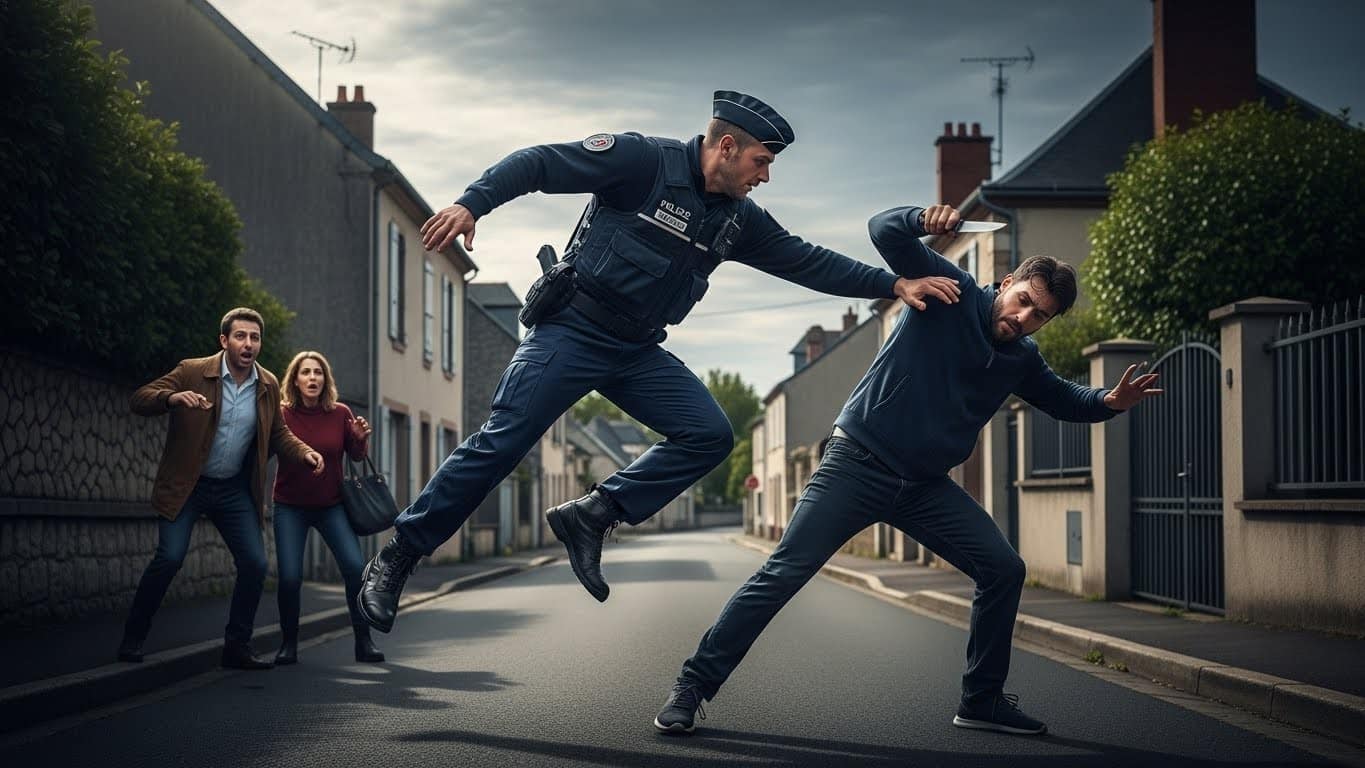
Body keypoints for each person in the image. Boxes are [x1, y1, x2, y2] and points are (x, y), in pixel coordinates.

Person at [356, 90, 926, 632]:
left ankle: (594, 514)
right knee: (501, 442)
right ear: (725, 147)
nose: (765, 176)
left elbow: (806, 260)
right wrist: (471, 203)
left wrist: (893, 282)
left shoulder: (736, 218)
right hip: (572, 330)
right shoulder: (640, 162)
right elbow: (538, 163)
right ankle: (398, 558)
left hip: (636, 350)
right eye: (761, 160)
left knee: (709, 434)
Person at [654, 204, 1163, 736]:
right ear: (1007, 282)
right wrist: (925, 218)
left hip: (923, 487)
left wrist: (1107, 400)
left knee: (1003, 570)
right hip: (856, 464)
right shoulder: (952, 290)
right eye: (1022, 303)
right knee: (782, 574)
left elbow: (1060, 397)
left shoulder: (1021, 358)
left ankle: (981, 700)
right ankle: (692, 686)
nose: (1022, 319)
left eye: (1039, 316)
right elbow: (882, 231)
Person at [118, 308, 324, 670]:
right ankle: (133, 636)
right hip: (188, 486)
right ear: (224, 341)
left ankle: (237, 645)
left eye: (255, 337)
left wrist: (304, 451)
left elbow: (278, 433)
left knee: (255, 564)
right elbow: (140, 398)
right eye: (241, 336)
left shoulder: (268, 384)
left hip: (233, 490)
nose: (248, 344)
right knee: (169, 557)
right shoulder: (192, 371)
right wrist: (172, 398)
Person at [271, 350, 384, 665]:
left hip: (331, 506)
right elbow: (265, 450)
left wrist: (360, 440)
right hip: (289, 506)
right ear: (295, 379)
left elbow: (357, 457)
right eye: (305, 372)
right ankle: (288, 644)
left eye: (318, 373)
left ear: (325, 379)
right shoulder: (281, 414)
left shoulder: (340, 412)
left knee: (353, 568)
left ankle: (364, 641)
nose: (312, 378)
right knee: (291, 578)